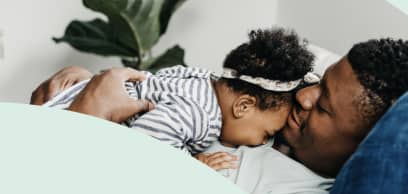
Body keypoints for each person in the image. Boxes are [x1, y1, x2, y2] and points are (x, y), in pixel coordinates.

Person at [30, 38, 408, 194]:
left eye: (323, 108)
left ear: (362, 146)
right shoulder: (266, 109)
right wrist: (84, 86)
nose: (302, 96)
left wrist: (89, 116)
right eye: (318, 82)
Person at [41, 28, 316, 170]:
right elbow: (147, 140)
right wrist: (193, 164)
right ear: (243, 106)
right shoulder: (203, 116)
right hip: (73, 120)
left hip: (70, 99)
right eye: (266, 132)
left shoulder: (200, 77)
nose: (263, 142)